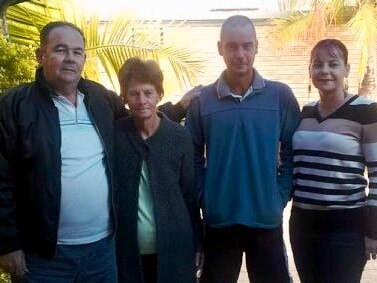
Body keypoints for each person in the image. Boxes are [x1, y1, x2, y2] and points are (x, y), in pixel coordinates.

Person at [0, 21, 199, 282]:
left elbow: (140, 118)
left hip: (102, 252)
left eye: (77, 51)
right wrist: (8, 243)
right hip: (44, 256)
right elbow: (2, 178)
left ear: (84, 57)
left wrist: (177, 109)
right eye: (60, 49)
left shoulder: (99, 99)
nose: (70, 58)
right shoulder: (15, 105)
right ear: (41, 55)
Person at [185, 15, 301, 283]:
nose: (240, 54)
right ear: (220, 48)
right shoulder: (202, 100)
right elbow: (190, 157)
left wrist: (279, 195)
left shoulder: (280, 96)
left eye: (247, 46)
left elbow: (293, 152)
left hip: (266, 218)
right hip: (220, 221)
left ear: (257, 46)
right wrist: (206, 197)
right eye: (232, 46)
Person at [290, 38, 377, 283]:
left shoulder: (367, 110)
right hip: (303, 224)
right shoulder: (305, 112)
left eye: (334, 64)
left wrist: (373, 231)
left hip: (345, 227)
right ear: (310, 70)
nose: (325, 70)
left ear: (346, 70)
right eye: (317, 64)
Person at [114, 57, 203, 283]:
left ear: (159, 95)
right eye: (134, 94)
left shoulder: (178, 136)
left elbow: (189, 195)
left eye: (148, 93)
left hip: (174, 247)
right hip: (127, 251)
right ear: (124, 97)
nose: (141, 100)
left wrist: (198, 240)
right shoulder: (115, 135)